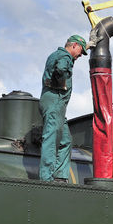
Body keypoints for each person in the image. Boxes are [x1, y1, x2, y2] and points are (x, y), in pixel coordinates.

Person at [39, 35, 88, 182]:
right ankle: (46, 178)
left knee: (65, 140)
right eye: (81, 51)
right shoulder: (64, 56)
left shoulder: (59, 54)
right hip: (55, 102)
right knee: (51, 138)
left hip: (57, 105)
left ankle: (60, 176)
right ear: (74, 45)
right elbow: (61, 68)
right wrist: (62, 77)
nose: (80, 55)